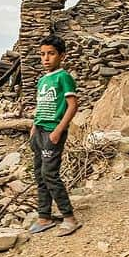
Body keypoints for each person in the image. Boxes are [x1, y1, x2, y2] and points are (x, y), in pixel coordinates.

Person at [28, 35, 81, 236]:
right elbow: (41, 106)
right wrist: (34, 127)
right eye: (42, 54)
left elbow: (73, 106)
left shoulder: (63, 77)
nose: (46, 58)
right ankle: (44, 217)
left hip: (52, 132)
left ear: (62, 55)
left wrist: (59, 130)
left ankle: (69, 218)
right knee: (39, 174)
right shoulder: (42, 80)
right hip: (39, 132)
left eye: (51, 54)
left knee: (50, 174)